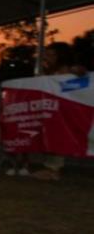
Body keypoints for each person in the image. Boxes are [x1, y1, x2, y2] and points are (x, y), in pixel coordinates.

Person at [32, 42, 83, 181]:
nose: (47, 57)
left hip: (65, 109)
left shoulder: (70, 69)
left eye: (51, 54)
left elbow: (76, 84)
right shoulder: (49, 70)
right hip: (53, 108)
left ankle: (53, 169)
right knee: (51, 136)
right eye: (46, 54)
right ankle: (51, 167)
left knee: (58, 136)